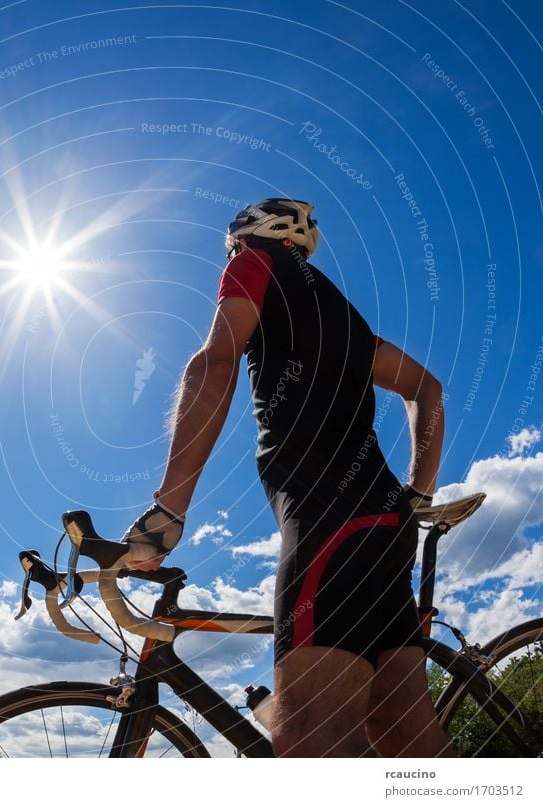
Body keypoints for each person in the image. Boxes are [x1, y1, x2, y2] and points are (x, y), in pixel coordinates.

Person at [122, 198, 451, 757]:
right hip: (386, 525)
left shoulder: (255, 262)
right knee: (405, 735)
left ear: (245, 237)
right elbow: (427, 388)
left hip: (327, 518)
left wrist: (168, 509)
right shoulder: (343, 315)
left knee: (306, 742)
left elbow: (215, 362)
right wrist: (417, 493)